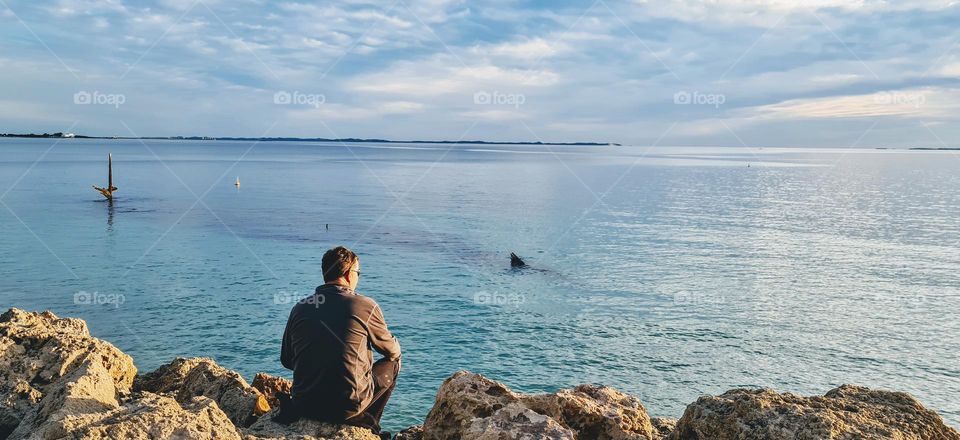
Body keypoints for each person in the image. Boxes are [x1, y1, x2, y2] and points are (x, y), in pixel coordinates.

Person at [276, 246, 401, 438]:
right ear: (349, 274)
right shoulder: (365, 305)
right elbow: (392, 351)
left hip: (304, 404)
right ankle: (369, 424)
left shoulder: (300, 308)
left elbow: (287, 360)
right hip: (347, 407)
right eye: (358, 272)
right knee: (394, 363)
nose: (358, 277)